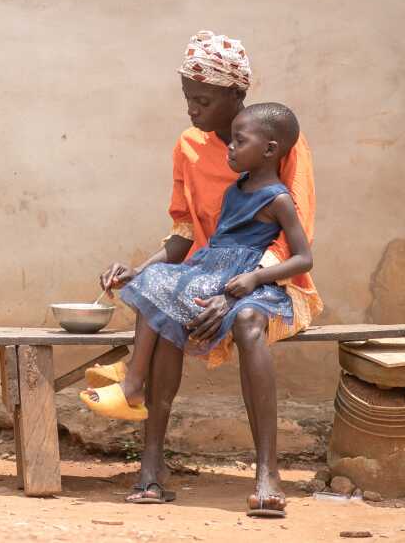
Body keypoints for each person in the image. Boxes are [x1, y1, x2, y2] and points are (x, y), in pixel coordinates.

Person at [97, 31, 322, 514]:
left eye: (202, 100)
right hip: (205, 273)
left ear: (235, 98)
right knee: (161, 306)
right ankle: (151, 465)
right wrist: (136, 271)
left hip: (271, 282)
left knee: (244, 321)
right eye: (188, 100)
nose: (192, 111)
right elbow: (183, 233)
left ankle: (267, 473)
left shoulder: (282, 146)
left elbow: (294, 239)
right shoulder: (189, 146)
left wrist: (234, 292)